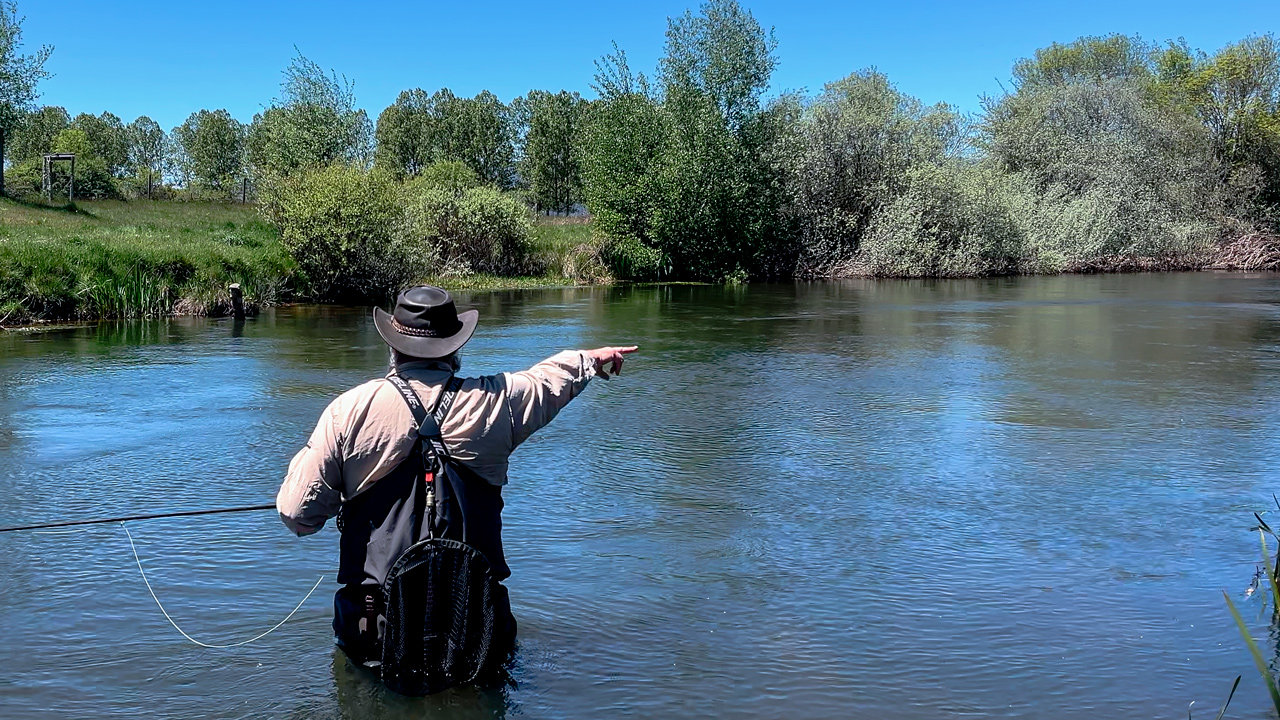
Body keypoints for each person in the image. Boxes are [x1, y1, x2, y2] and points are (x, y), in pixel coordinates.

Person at [276, 285, 637, 676]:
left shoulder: (347, 411)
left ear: (392, 346)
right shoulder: (499, 401)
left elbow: (298, 515)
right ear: (455, 347)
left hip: (376, 628)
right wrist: (589, 360)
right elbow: (546, 382)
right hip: (476, 627)